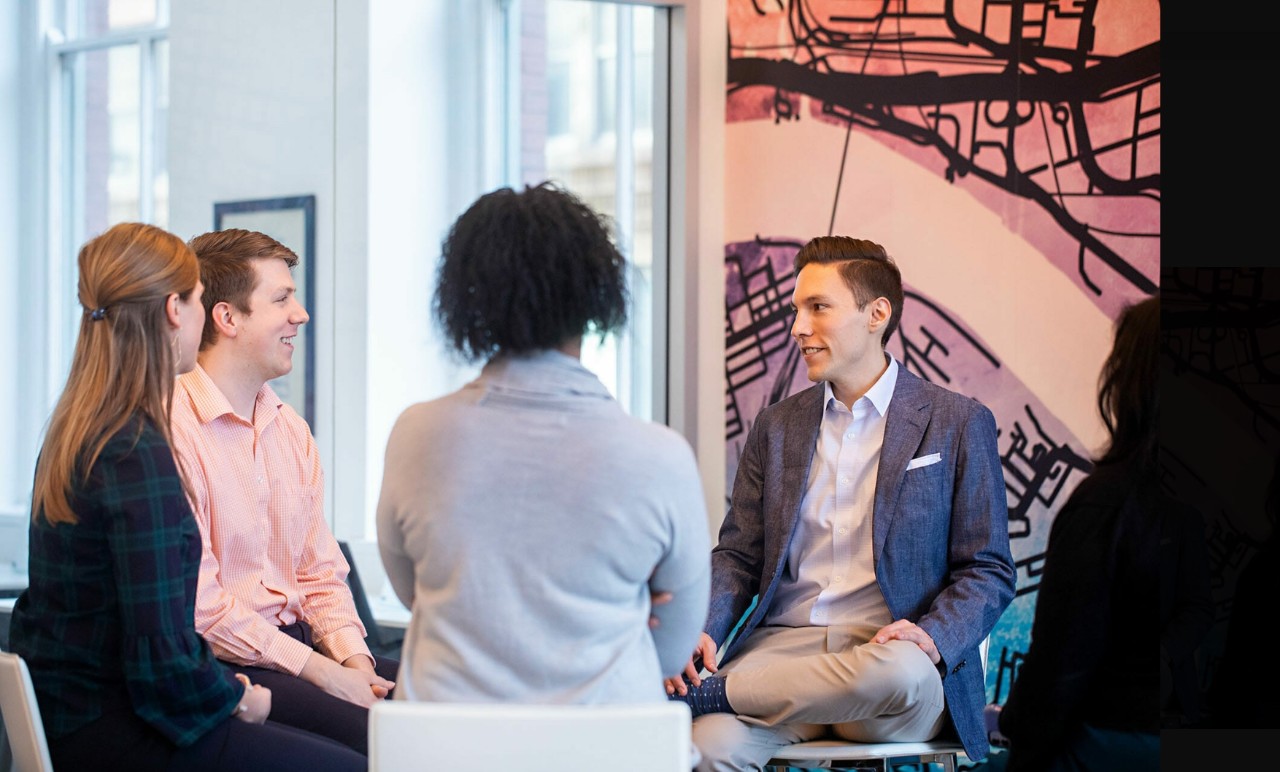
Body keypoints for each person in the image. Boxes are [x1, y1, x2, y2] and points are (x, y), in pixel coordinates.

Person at [6, 222, 364, 772]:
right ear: (178, 310)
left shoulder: (92, 428)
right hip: (123, 726)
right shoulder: (136, 450)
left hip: (98, 710)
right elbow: (163, 659)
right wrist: (243, 697)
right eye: (198, 299)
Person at [667, 236, 1016, 771]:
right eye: (795, 310)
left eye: (818, 308)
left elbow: (988, 569)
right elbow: (738, 555)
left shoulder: (959, 421)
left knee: (899, 672)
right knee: (706, 750)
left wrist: (933, 634)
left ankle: (716, 694)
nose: (797, 327)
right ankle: (724, 695)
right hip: (785, 650)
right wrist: (706, 628)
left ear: (877, 314)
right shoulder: (776, 426)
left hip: (889, 660)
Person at [375, 181, 711, 705]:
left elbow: (414, 593)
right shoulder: (660, 455)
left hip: (448, 749)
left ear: (468, 297)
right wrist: (625, 606)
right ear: (595, 295)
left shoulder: (415, 434)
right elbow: (672, 652)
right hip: (606, 750)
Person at [169, 227, 397, 756]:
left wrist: (354, 664)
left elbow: (320, 573)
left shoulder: (290, 429)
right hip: (233, 664)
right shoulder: (172, 428)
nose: (301, 314)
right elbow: (203, 612)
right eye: (282, 298)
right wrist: (323, 673)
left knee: (446, 710)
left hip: (303, 647)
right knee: (388, 745)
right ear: (227, 318)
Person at [995, 294, 1164, 770]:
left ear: (1130, 382)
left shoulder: (1108, 504)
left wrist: (1014, 734)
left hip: (1111, 745)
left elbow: (1060, 668)